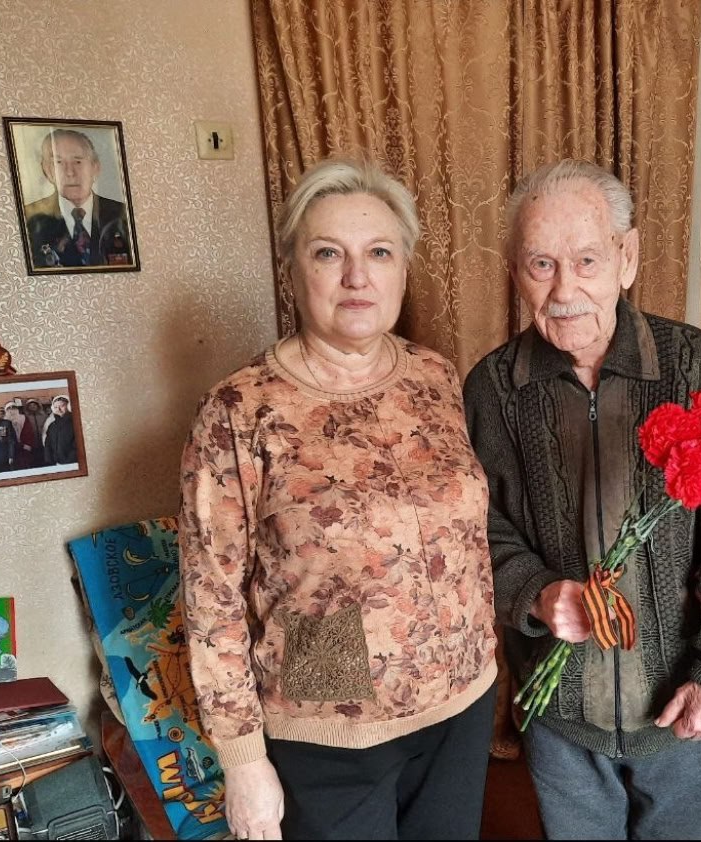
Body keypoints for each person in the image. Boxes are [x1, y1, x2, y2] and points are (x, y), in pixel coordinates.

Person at [180, 157, 497, 841]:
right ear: (293, 270)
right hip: (329, 725)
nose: (358, 276)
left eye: (379, 252)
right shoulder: (240, 407)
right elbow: (212, 597)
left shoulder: (436, 377)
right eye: (329, 253)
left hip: (461, 704)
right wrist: (244, 761)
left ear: (403, 268)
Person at [464, 160, 701, 840]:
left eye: (587, 260)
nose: (564, 289)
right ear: (515, 272)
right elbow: (478, 530)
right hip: (561, 715)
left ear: (626, 258)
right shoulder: (493, 387)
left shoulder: (690, 363)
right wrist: (537, 592)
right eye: (541, 264)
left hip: (685, 703)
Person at [23, 129, 132, 268]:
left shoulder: (123, 215)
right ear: (46, 170)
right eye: (58, 162)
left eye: (78, 162)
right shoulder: (30, 220)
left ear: (95, 167)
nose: (70, 172)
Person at [42, 396, 77, 465]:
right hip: (57, 463)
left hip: (72, 463)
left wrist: (69, 461)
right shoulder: (52, 425)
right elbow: (48, 444)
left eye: (62, 406)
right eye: (55, 407)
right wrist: (49, 460)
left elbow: (77, 445)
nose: (58, 409)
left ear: (69, 406)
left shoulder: (75, 423)